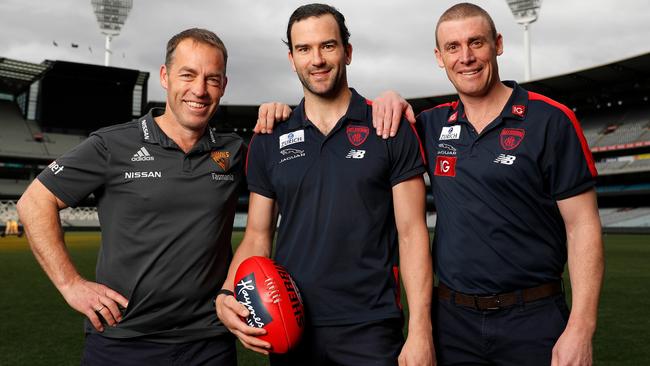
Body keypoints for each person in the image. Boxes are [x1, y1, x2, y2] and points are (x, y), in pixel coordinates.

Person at [257, 3, 604, 366]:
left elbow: (582, 225)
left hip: (532, 316)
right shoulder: (430, 126)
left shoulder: (550, 120)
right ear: (439, 57)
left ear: (498, 44)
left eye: (476, 43)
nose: (465, 57)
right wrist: (390, 99)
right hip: (453, 321)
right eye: (453, 48)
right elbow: (385, 123)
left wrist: (581, 327)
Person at [216, 4, 435, 366]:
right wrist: (227, 291)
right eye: (304, 49)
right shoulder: (271, 136)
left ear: (347, 51)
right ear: (292, 58)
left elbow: (412, 234)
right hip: (290, 324)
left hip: (371, 327)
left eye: (327, 46)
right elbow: (256, 236)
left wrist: (420, 331)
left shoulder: (387, 127)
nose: (316, 59)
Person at [17, 28, 243, 365]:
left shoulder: (235, 151)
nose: (199, 89)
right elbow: (34, 202)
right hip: (122, 340)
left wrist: (280, 114)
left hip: (208, 343)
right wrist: (70, 284)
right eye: (188, 74)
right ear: (165, 77)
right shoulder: (113, 144)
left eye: (212, 79)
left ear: (223, 86)